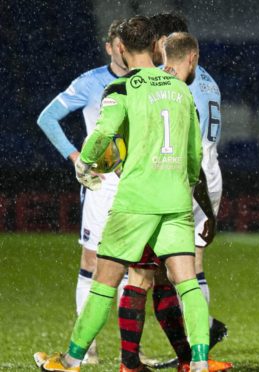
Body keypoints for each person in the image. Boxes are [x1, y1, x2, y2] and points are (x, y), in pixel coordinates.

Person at [34, 16, 211, 372]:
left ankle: (71, 361)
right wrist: (186, 184)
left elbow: (102, 136)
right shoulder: (179, 88)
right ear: (156, 46)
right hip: (175, 199)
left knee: (104, 281)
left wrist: (84, 163)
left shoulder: (121, 89)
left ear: (121, 49)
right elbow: (194, 154)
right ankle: (200, 362)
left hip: (135, 201)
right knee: (186, 281)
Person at [116, 13, 229, 371]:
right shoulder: (206, 79)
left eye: (158, 41)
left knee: (157, 270)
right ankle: (195, 348)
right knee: (184, 266)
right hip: (208, 172)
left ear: (167, 42)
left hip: (182, 175)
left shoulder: (170, 81)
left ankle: (198, 346)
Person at [36, 19, 127, 364]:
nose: (123, 50)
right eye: (117, 44)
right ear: (109, 47)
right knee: (91, 259)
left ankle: (131, 348)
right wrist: (75, 157)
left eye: (127, 44)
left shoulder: (146, 82)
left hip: (136, 184)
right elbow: (47, 117)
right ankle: (86, 347)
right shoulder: (91, 82)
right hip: (101, 184)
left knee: (135, 267)